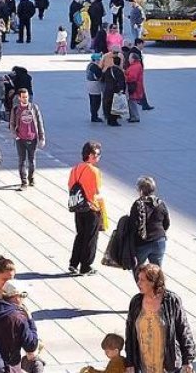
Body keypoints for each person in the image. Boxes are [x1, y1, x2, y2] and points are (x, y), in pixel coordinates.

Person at [123, 264, 196, 373]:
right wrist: (130, 362)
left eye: (142, 280)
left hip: (167, 366)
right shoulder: (136, 302)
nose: (138, 283)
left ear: (153, 282)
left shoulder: (171, 300)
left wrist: (188, 360)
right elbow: (129, 333)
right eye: (138, 279)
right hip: (144, 366)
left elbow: (184, 330)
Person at [0, 280, 40, 373]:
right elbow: (31, 346)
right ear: (17, 297)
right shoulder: (18, 318)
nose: (24, 300)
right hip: (6, 368)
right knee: (38, 365)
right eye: (24, 295)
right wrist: (30, 320)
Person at [69, 141, 105, 275]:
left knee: (80, 235)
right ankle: (86, 266)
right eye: (97, 154)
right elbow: (97, 191)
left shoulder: (75, 169)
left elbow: (70, 186)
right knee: (90, 238)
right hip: (92, 207)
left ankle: (73, 263)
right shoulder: (94, 171)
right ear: (90, 155)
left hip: (79, 206)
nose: (98, 157)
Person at [130, 176, 171, 267]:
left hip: (142, 243)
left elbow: (133, 225)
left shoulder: (138, 204)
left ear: (141, 191)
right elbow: (166, 223)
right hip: (159, 240)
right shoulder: (160, 203)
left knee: (138, 270)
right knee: (156, 271)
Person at [11, 88, 46, 190]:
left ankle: (31, 178)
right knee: (21, 161)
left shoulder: (34, 108)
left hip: (32, 138)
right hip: (20, 139)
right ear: (19, 98)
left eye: (26, 97)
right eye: (23, 97)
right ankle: (23, 182)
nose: (25, 99)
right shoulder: (16, 109)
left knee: (31, 160)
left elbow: (39, 123)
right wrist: (15, 135)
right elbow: (12, 123)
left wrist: (42, 137)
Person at [101, 53, 127, 127]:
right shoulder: (119, 71)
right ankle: (113, 121)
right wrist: (122, 90)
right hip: (115, 90)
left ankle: (109, 119)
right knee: (115, 106)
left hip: (108, 90)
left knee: (108, 105)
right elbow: (121, 82)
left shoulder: (108, 69)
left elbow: (103, 79)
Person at [124, 52, 146, 123]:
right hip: (135, 86)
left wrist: (124, 76)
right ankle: (132, 116)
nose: (128, 60)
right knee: (131, 102)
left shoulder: (135, 67)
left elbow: (132, 78)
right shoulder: (136, 65)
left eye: (129, 58)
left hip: (133, 87)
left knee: (132, 102)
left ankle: (135, 117)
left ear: (133, 59)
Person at [86, 53, 105, 122]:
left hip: (90, 85)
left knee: (92, 101)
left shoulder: (89, 65)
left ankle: (93, 116)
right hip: (95, 85)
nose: (100, 61)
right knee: (96, 101)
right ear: (96, 60)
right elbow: (99, 77)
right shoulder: (95, 67)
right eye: (99, 59)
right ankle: (94, 117)